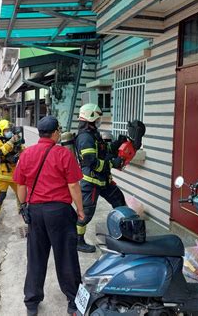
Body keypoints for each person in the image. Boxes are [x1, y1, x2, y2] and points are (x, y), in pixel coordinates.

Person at [13, 116, 85, 316]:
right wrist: (80, 209)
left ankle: (32, 302)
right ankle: (73, 301)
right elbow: (73, 185)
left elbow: (20, 185)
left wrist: (23, 207)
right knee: (66, 257)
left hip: (35, 212)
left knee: (35, 257)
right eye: (59, 130)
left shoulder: (26, 154)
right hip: (59, 212)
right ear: (55, 133)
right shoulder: (63, 153)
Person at [75, 103, 127, 253]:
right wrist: (112, 163)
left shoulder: (93, 134)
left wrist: (118, 143)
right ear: (91, 119)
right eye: (97, 118)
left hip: (104, 180)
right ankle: (78, 241)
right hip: (91, 182)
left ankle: (125, 232)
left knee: (119, 202)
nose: (99, 121)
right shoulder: (85, 138)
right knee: (85, 213)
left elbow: (104, 149)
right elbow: (90, 162)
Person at [0, 119, 24, 222]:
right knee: (0, 196)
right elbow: (0, 152)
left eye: (10, 130)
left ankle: (22, 211)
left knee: (21, 195)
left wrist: (19, 144)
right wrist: (11, 142)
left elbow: (24, 151)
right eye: (6, 130)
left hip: (15, 174)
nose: (9, 132)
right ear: (1, 131)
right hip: (2, 175)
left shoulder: (14, 141)